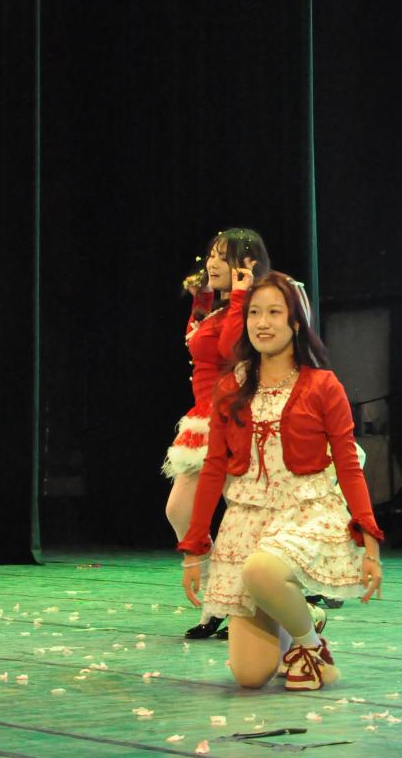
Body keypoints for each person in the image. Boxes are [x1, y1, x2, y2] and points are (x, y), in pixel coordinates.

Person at [179, 271, 384, 690]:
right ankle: (301, 615)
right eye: (254, 313)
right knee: (250, 676)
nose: (262, 323)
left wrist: (370, 540)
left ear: (295, 323)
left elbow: (348, 464)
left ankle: (311, 647)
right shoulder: (231, 387)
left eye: (274, 313)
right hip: (247, 519)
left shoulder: (322, 385)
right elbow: (214, 466)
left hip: (303, 511)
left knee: (262, 569)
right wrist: (194, 549)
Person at [163, 228, 270, 639]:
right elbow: (196, 342)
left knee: (241, 518)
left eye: (223, 257)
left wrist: (240, 295)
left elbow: (229, 350)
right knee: (180, 510)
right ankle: (218, 597)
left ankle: (248, 606)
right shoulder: (218, 308)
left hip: (233, 418)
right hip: (203, 418)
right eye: (211, 254)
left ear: (247, 264)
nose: (211, 262)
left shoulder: (253, 308)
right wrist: (203, 298)